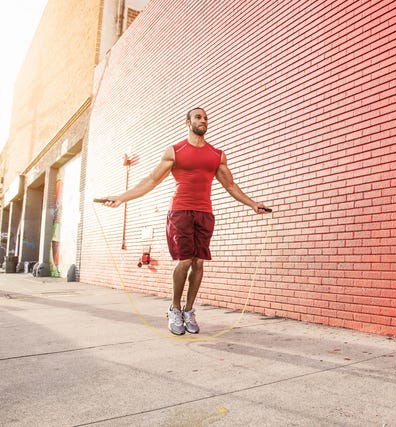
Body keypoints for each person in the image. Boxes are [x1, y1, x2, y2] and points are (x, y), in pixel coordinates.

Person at [101, 107, 270, 335]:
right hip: (180, 212)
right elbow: (151, 180)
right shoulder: (175, 151)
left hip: (204, 214)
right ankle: (175, 308)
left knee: (199, 262)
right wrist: (121, 198)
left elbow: (230, 185)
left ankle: (189, 310)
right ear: (188, 122)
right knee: (184, 261)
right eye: (198, 117)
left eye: (206, 118)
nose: (203, 121)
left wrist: (252, 203)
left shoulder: (216, 155)